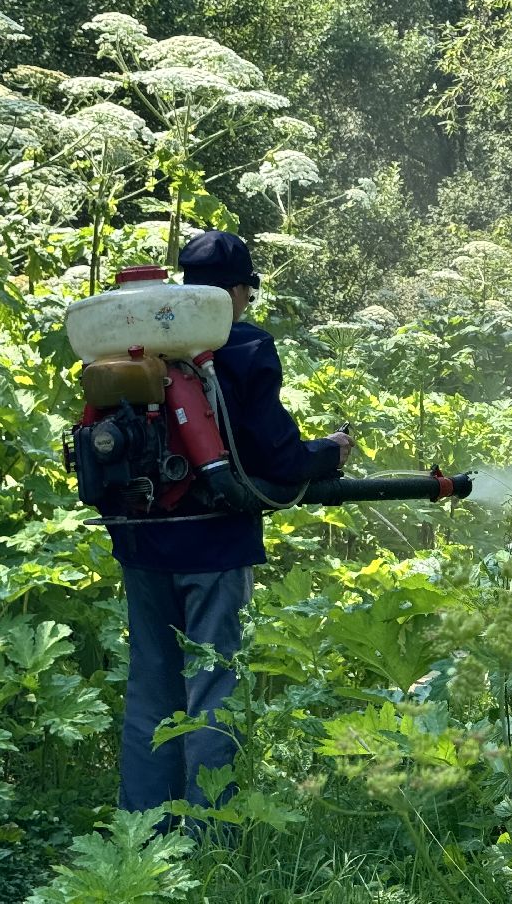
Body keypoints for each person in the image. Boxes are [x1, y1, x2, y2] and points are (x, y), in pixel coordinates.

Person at [108, 229, 353, 819]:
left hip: (140, 539)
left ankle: (142, 831)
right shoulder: (242, 345)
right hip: (214, 544)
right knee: (213, 687)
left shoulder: (129, 343)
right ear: (238, 290)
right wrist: (333, 451)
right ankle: (210, 839)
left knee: (152, 688)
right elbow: (278, 458)